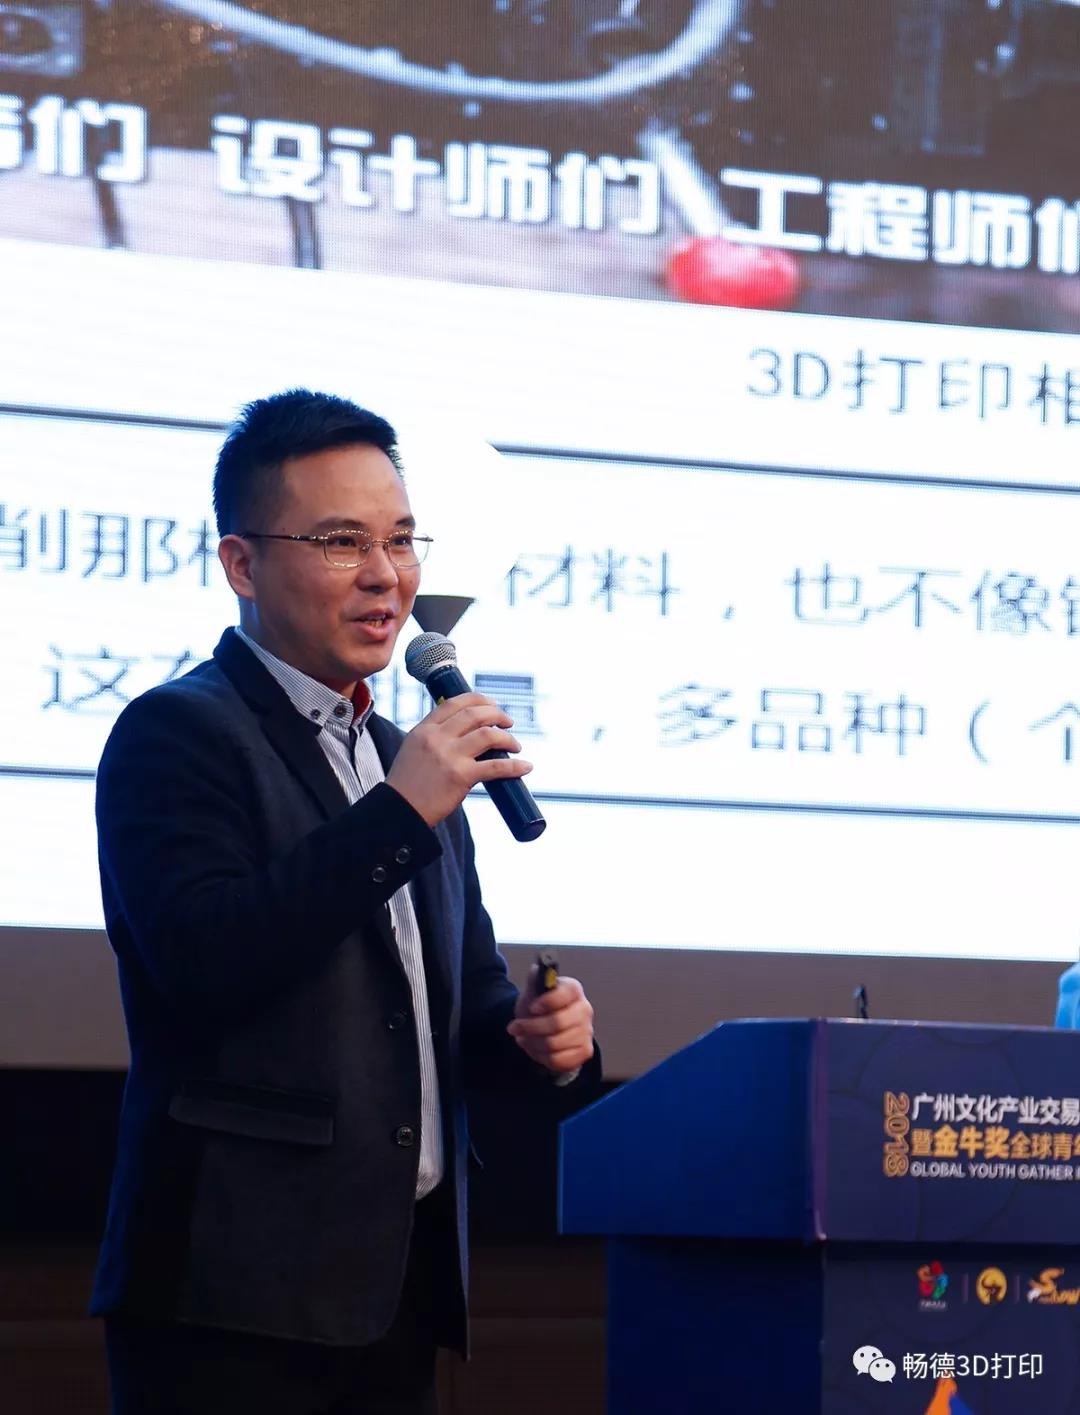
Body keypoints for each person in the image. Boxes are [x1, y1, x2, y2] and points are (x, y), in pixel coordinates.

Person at [91, 388, 598, 1414]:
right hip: (232, 1302)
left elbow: (463, 1012)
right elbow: (206, 964)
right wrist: (402, 810)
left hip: (393, 1292)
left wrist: (536, 1040)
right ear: (242, 564)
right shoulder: (178, 733)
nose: (385, 575)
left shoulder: (405, 759)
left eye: (402, 540)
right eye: (341, 541)